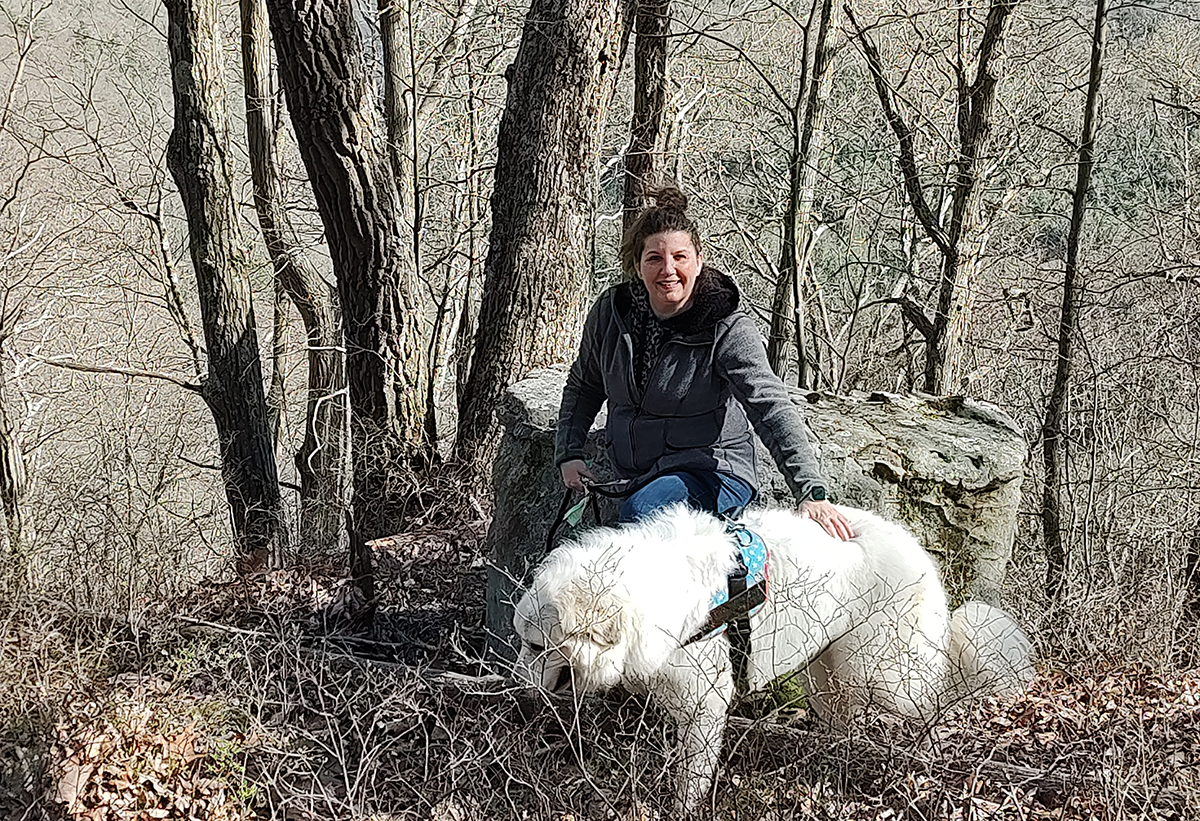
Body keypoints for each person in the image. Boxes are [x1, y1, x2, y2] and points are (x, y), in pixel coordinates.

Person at [554, 186, 854, 541]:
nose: (668, 269)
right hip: (638, 472)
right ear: (637, 265)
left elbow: (770, 406)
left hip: (711, 471)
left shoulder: (724, 325)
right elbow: (585, 384)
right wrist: (569, 452)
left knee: (643, 517)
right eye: (654, 258)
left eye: (680, 257)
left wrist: (810, 490)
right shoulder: (611, 313)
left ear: (698, 261)